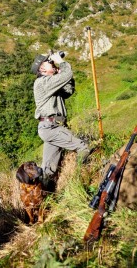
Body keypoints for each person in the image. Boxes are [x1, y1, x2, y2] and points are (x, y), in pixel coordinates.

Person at [31, 52, 91, 183]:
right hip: (51, 127)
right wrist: (60, 61)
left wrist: (59, 72)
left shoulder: (50, 85)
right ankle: (80, 180)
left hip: (52, 127)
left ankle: (43, 194)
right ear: (42, 68)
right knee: (83, 148)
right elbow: (67, 74)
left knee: (48, 171)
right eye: (49, 62)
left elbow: (68, 91)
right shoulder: (42, 83)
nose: (52, 63)